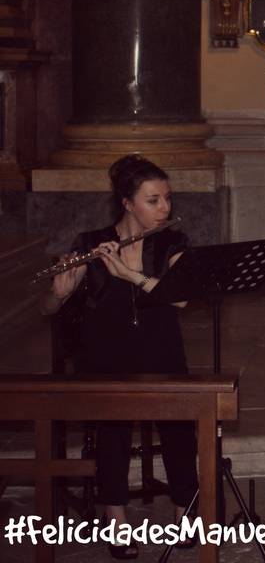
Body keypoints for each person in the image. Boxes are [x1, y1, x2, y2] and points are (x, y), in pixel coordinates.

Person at [40, 154, 197, 560]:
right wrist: (59, 292)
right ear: (127, 203)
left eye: (167, 199)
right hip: (106, 352)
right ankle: (115, 514)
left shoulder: (172, 242)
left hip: (161, 348)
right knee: (112, 426)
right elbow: (51, 310)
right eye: (153, 200)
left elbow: (180, 298)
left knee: (180, 424)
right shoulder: (90, 243)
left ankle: (186, 508)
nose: (165, 209)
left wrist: (130, 276)